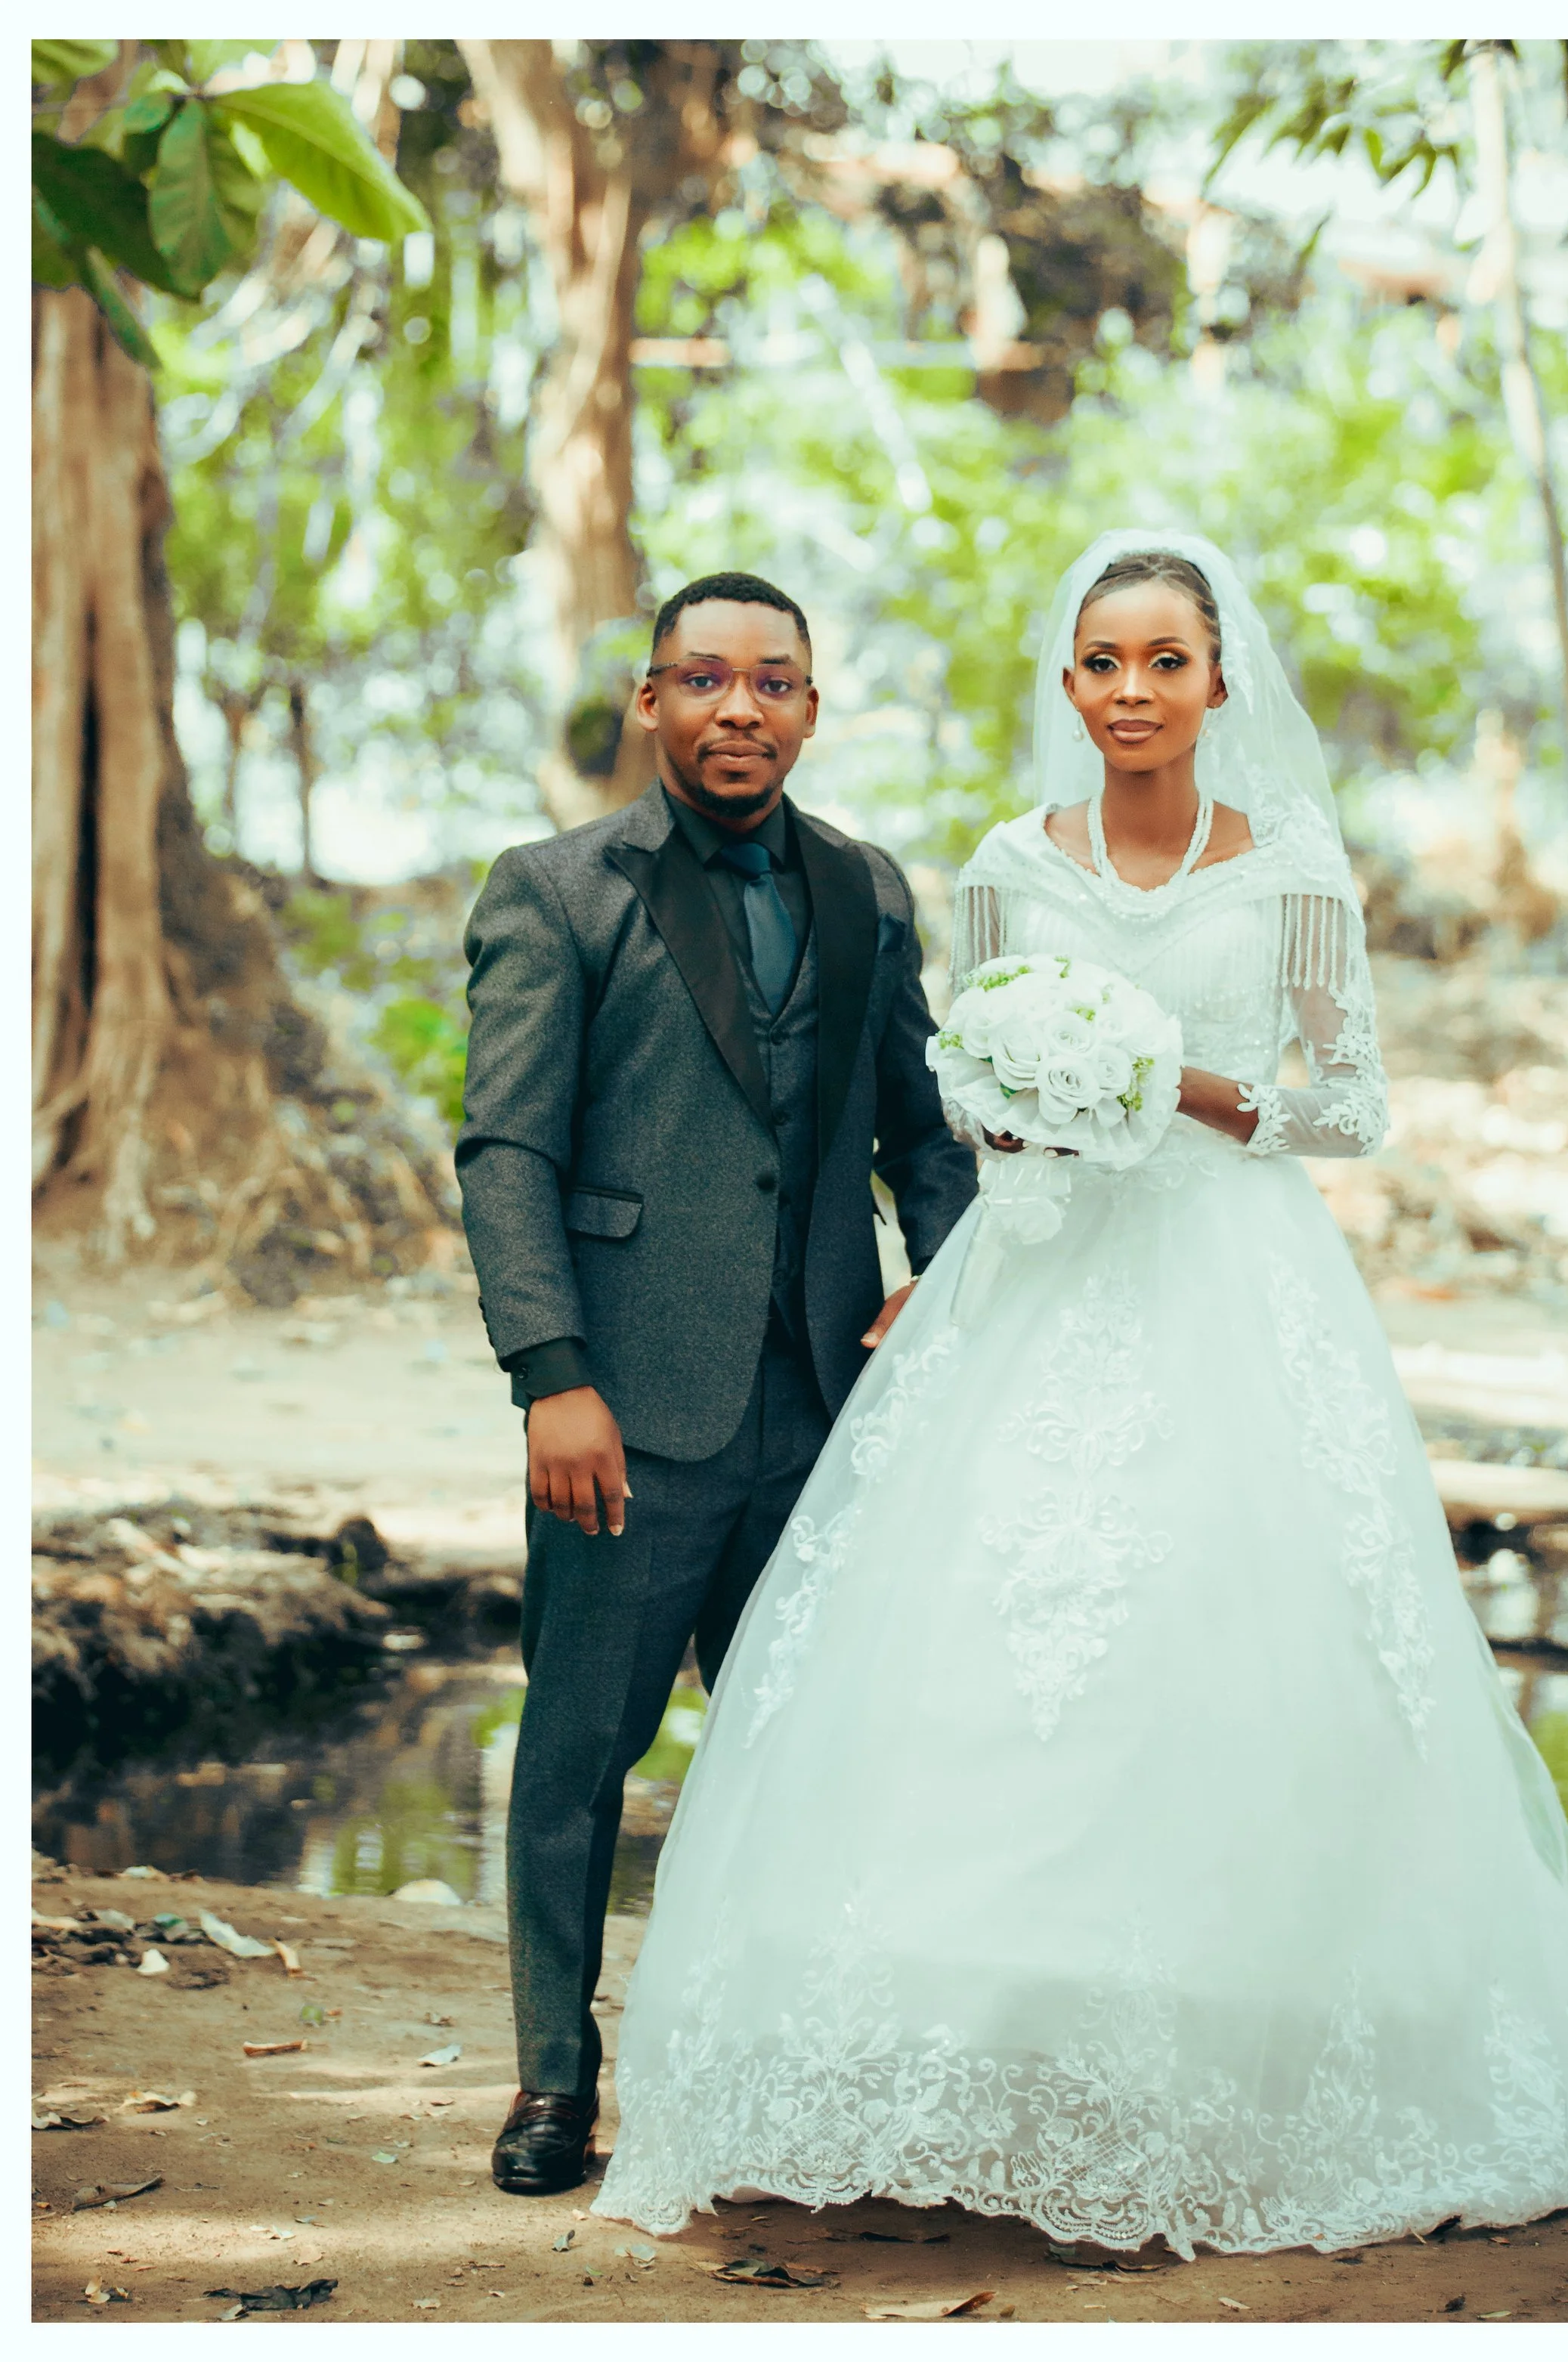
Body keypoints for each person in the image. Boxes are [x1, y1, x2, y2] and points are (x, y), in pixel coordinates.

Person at [589, 532, 1568, 2259]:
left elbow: (1345, 1108)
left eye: (1162, 660)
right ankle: (973, 2071)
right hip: (1032, 1288)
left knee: (1229, 1646)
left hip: (1232, 1287)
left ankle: (1239, 2053)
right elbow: (962, 1093)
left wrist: (1163, 1078)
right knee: (985, 1659)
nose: (1129, 691)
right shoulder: (998, 868)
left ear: (1213, 678)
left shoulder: (1292, 875)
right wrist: (1029, 1104)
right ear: (1068, 686)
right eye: (1100, 662)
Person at [456, 569, 978, 2196]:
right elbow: (506, 1148)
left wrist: (944, 1301)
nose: (737, 708)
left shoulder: (866, 889)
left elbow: (915, 1128)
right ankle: (554, 2080)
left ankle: (763, 2071)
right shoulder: (554, 889)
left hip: (822, 1406)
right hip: (627, 1407)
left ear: (811, 709)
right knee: (575, 1756)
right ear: (650, 702)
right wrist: (552, 1372)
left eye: (771, 683)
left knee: (800, 1751)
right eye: (702, 679)